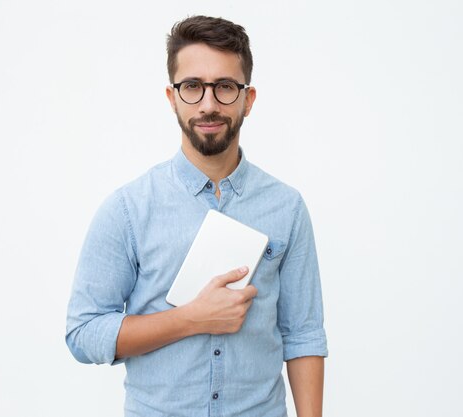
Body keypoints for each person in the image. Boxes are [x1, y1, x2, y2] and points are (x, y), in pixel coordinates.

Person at [65, 15, 328, 417]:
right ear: (172, 97)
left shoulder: (287, 208)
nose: (208, 104)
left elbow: (304, 335)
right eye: (192, 87)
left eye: (224, 87)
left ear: (248, 98)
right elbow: (82, 334)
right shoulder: (127, 210)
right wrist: (190, 319)